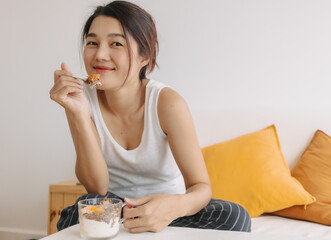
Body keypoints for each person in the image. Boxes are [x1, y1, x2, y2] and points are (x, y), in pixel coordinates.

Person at [49, 0, 251, 233]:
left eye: (116, 43)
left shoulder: (167, 103)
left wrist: (170, 208)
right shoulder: (80, 98)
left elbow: (201, 187)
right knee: (75, 213)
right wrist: (80, 114)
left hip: (168, 210)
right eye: (92, 42)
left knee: (236, 217)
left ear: (144, 56)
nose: (100, 55)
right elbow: (97, 187)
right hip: (115, 206)